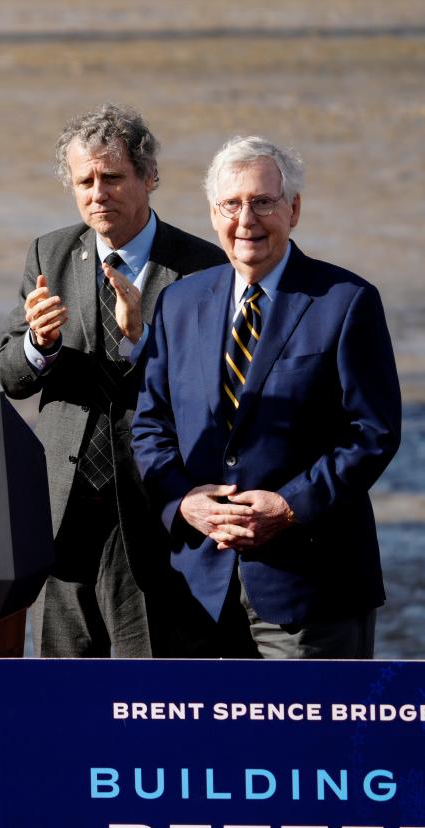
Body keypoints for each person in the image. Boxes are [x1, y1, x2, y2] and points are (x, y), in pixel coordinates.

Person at [132, 136, 401, 658]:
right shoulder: (178, 304)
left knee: (311, 740)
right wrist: (184, 502)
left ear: (293, 209)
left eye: (263, 202)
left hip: (310, 587)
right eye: (231, 205)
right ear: (213, 214)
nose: (246, 220)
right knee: (204, 740)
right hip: (197, 590)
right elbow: (150, 426)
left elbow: (372, 433)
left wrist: (288, 506)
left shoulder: (346, 302)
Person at [0, 104, 225, 657]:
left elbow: (212, 393)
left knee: (143, 686)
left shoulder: (203, 266)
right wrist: (39, 346)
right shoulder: (49, 252)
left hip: (151, 508)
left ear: (149, 178)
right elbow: (9, 376)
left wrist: (141, 340)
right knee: (62, 683)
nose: (98, 192)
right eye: (85, 181)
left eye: (113, 177)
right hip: (60, 510)